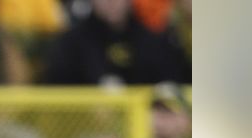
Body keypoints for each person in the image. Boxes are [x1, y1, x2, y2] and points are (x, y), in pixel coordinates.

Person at [41, 0, 189, 86]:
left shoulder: (154, 41)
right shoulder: (70, 43)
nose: (112, 2)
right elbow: (59, 89)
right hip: (88, 130)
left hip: (150, 130)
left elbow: (172, 86)